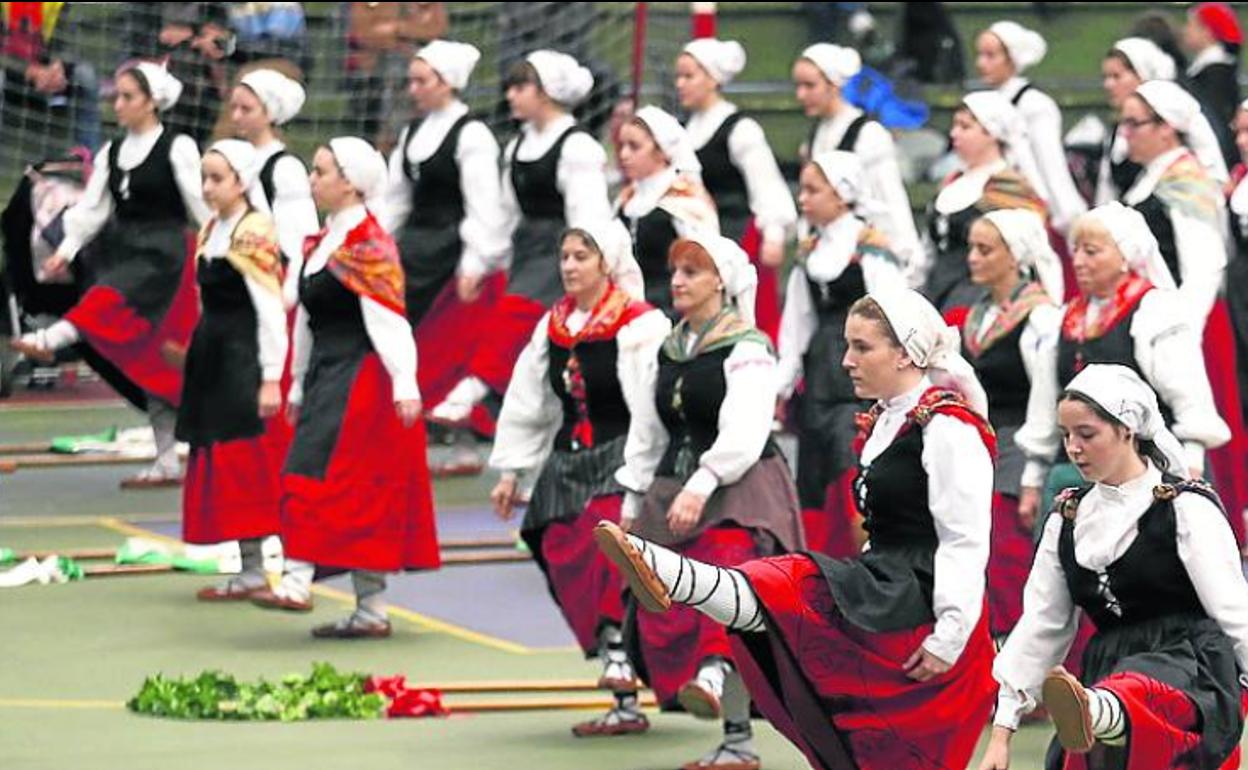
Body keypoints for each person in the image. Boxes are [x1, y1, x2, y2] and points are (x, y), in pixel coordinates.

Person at [597, 286, 998, 770]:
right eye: (847, 345)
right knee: (783, 603)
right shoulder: (888, 421)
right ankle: (671, 576)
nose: (846, 360)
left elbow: (964, 539)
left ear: (905, 354)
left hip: (923, 606)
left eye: (862, 347)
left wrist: (950, 633)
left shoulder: (948, 428)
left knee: (786, 585)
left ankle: (671, 575)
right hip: (884, 585)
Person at [979, 364, 1248, 770]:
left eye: (1087, 434)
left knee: (1137, 685)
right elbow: (1041, 626)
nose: (1073, 448)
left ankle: (1100, 710)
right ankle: (1098, 710)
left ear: (1127, 430)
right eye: (1066, 435)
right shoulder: (1067, 519)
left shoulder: (1184, 507)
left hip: (1191, 674)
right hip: (1106, 668)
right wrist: (1001, 734)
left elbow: (1235, 612)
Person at [611, 233, 803, 770]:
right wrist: (634, 494)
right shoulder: (668, 348)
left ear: (721, 281)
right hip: (672, 490)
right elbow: (648, 429)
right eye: (675, 271)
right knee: (662, 598)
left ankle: (716, 678)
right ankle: (730, 730)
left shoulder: (748, 348)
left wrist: (703, 483)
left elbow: (746, 428)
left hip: (741, 492)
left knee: (729, 587)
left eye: (691, 272)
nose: (677, 281)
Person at [250, 137, 439, 638]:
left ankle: (297, 581)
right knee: (338, 482)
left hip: (361, 380)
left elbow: (389, 318)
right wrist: (296, 384)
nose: (312, 180)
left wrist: (404, 382)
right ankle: (370, 609)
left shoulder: (370, 246)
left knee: (325, 478)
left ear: (351, 183)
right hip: (325, 376)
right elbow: (305, 323)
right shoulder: (321, 243)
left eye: (322, 171)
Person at [488, 221, 664, 736]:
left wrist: (646, 470)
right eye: (564, 256)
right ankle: (618, 679)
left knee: (606, 547)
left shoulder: (640, 325)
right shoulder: (554, 325)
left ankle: (620, 650)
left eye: (580, 257)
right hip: (568, 461)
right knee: (558, 546)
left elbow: (650, 406)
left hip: (621, 455)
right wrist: (513, 472)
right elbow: (530, 400)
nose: (568, 266)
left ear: (606, 263)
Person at [12, 62, 208, 488]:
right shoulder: (112, 152)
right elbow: (91, 210)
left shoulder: (177, 147)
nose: (118, 104)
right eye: (116, 96)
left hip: (165, 256)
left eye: (128, 97)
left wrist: (220, 247)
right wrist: (65, 251)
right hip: (124, 249)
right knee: (155, 366)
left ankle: (50, 339)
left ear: (152, 102)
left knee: (105, 299)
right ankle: (167, 461)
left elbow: (201, 204)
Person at [1017, 203, 1231, 531]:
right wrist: (1033, 479)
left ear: (1125, 257)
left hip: (1153, 471)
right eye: (1076, 251)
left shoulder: (1155, 313)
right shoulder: (1063, 320)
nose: (1079, 261)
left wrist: (1189, 468)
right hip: (1079, 474)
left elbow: (1189, 398)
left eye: (1091, 251)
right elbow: (1044, 406)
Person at [429, 50, 614, 426]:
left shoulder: (577, 147)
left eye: (520, 87)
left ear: (545, 91)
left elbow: (588, 214)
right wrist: (480, 262)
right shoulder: (517, 147)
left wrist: (583, 261)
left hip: (561, 252)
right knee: (524, 330)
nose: (510, 95)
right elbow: (504, 213)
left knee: (518, 315)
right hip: (527, 251)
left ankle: (476, 386)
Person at [776, 150, 904, 556]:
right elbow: (796, 324)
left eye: (813, 190)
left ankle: (862, 551)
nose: (803, 199)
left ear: (842, 194)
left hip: (860, 378)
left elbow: (893, 315)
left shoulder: (871, 249)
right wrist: (781, 385)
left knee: (850, 460)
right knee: (815, 471)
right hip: (819, 376)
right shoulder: (809, 252)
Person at [379, 40, 508, 436]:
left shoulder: (472, 135)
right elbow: (396, 200)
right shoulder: (413, 132)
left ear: (447, 82)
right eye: (412, 81)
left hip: (450, 246)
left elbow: (483, 205)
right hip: (414, 244)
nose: (413, 89)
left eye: (422, 81)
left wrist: (475, 261)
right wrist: (376, 243)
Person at [177, 139, 287, 602]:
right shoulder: (211, 229)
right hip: (214, 357)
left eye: (217, 179)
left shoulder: (253, 232)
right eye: (204, 178)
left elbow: (270, 309)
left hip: (243, 357)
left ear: (241, 182)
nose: (207, 187)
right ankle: (248, 564)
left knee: (246, 461)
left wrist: (270, 375)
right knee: (223, 459)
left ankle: (263, 566)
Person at [960, 208, 1063, 638]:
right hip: (982, 444)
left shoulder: (1039, 318)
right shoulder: (979, 315)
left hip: (1019, 443)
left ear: (1015, 256)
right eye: (972, 248)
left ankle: (1018, 643)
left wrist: (1034, 472)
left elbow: (1046, 395)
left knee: (1008, 550)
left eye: (985, 250)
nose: (973, 258)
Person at [678, 38, 796, 339]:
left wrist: (774, 233)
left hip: (740, 236)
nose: (680, 84)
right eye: (679, 76)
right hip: (703, 239)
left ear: (712, 79)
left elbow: (766, 183)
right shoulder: (686, 130)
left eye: (689, 76)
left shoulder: (741, 129)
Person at [912, 91, 1047, 314]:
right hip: (935, 296)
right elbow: (926, 252)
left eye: (965, 127)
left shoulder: (1011, 189)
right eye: (954, 125)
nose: (954, 133)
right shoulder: (951, 183)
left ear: (992, 133)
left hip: (981, 301)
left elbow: (1037, 255)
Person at [794, 43, 920, 269]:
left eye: (810, 86)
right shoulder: (816, 135)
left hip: (861, 254)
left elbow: (890, 198)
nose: (801, 95)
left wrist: (907, 254)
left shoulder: (868, 134)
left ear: (833, 85)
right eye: (799, 86)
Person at [975, 21, 1087, 234]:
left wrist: (1064, 214)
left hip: (1033, 210)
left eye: (990, 56)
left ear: (1011, 58)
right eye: (980, 55)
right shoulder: (987, 103)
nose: (981, 63)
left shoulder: (1034, 104)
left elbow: (1050, 164)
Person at [614, 105, 719, 314]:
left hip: (671, 310)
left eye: (634, 147)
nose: (624, 155)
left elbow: (707, 264)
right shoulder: (626, 199)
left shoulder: (685, 198)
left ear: (662, 151)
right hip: (624, 309)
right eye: (622, 146)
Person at [228, 68, 318, 308]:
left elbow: (300, 239)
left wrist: (289, 292)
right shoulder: (232, 157)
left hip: (269, 281)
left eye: (246, 109)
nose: (236, 116)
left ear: (269, 113)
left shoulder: (284, 168)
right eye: (233, 108)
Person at [1182, 2, 1242, 169]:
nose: (1185, 30)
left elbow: (1216, 120)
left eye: (1191, 25)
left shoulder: (1216, 72)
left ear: (1207, 32)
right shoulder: (1210, 68)